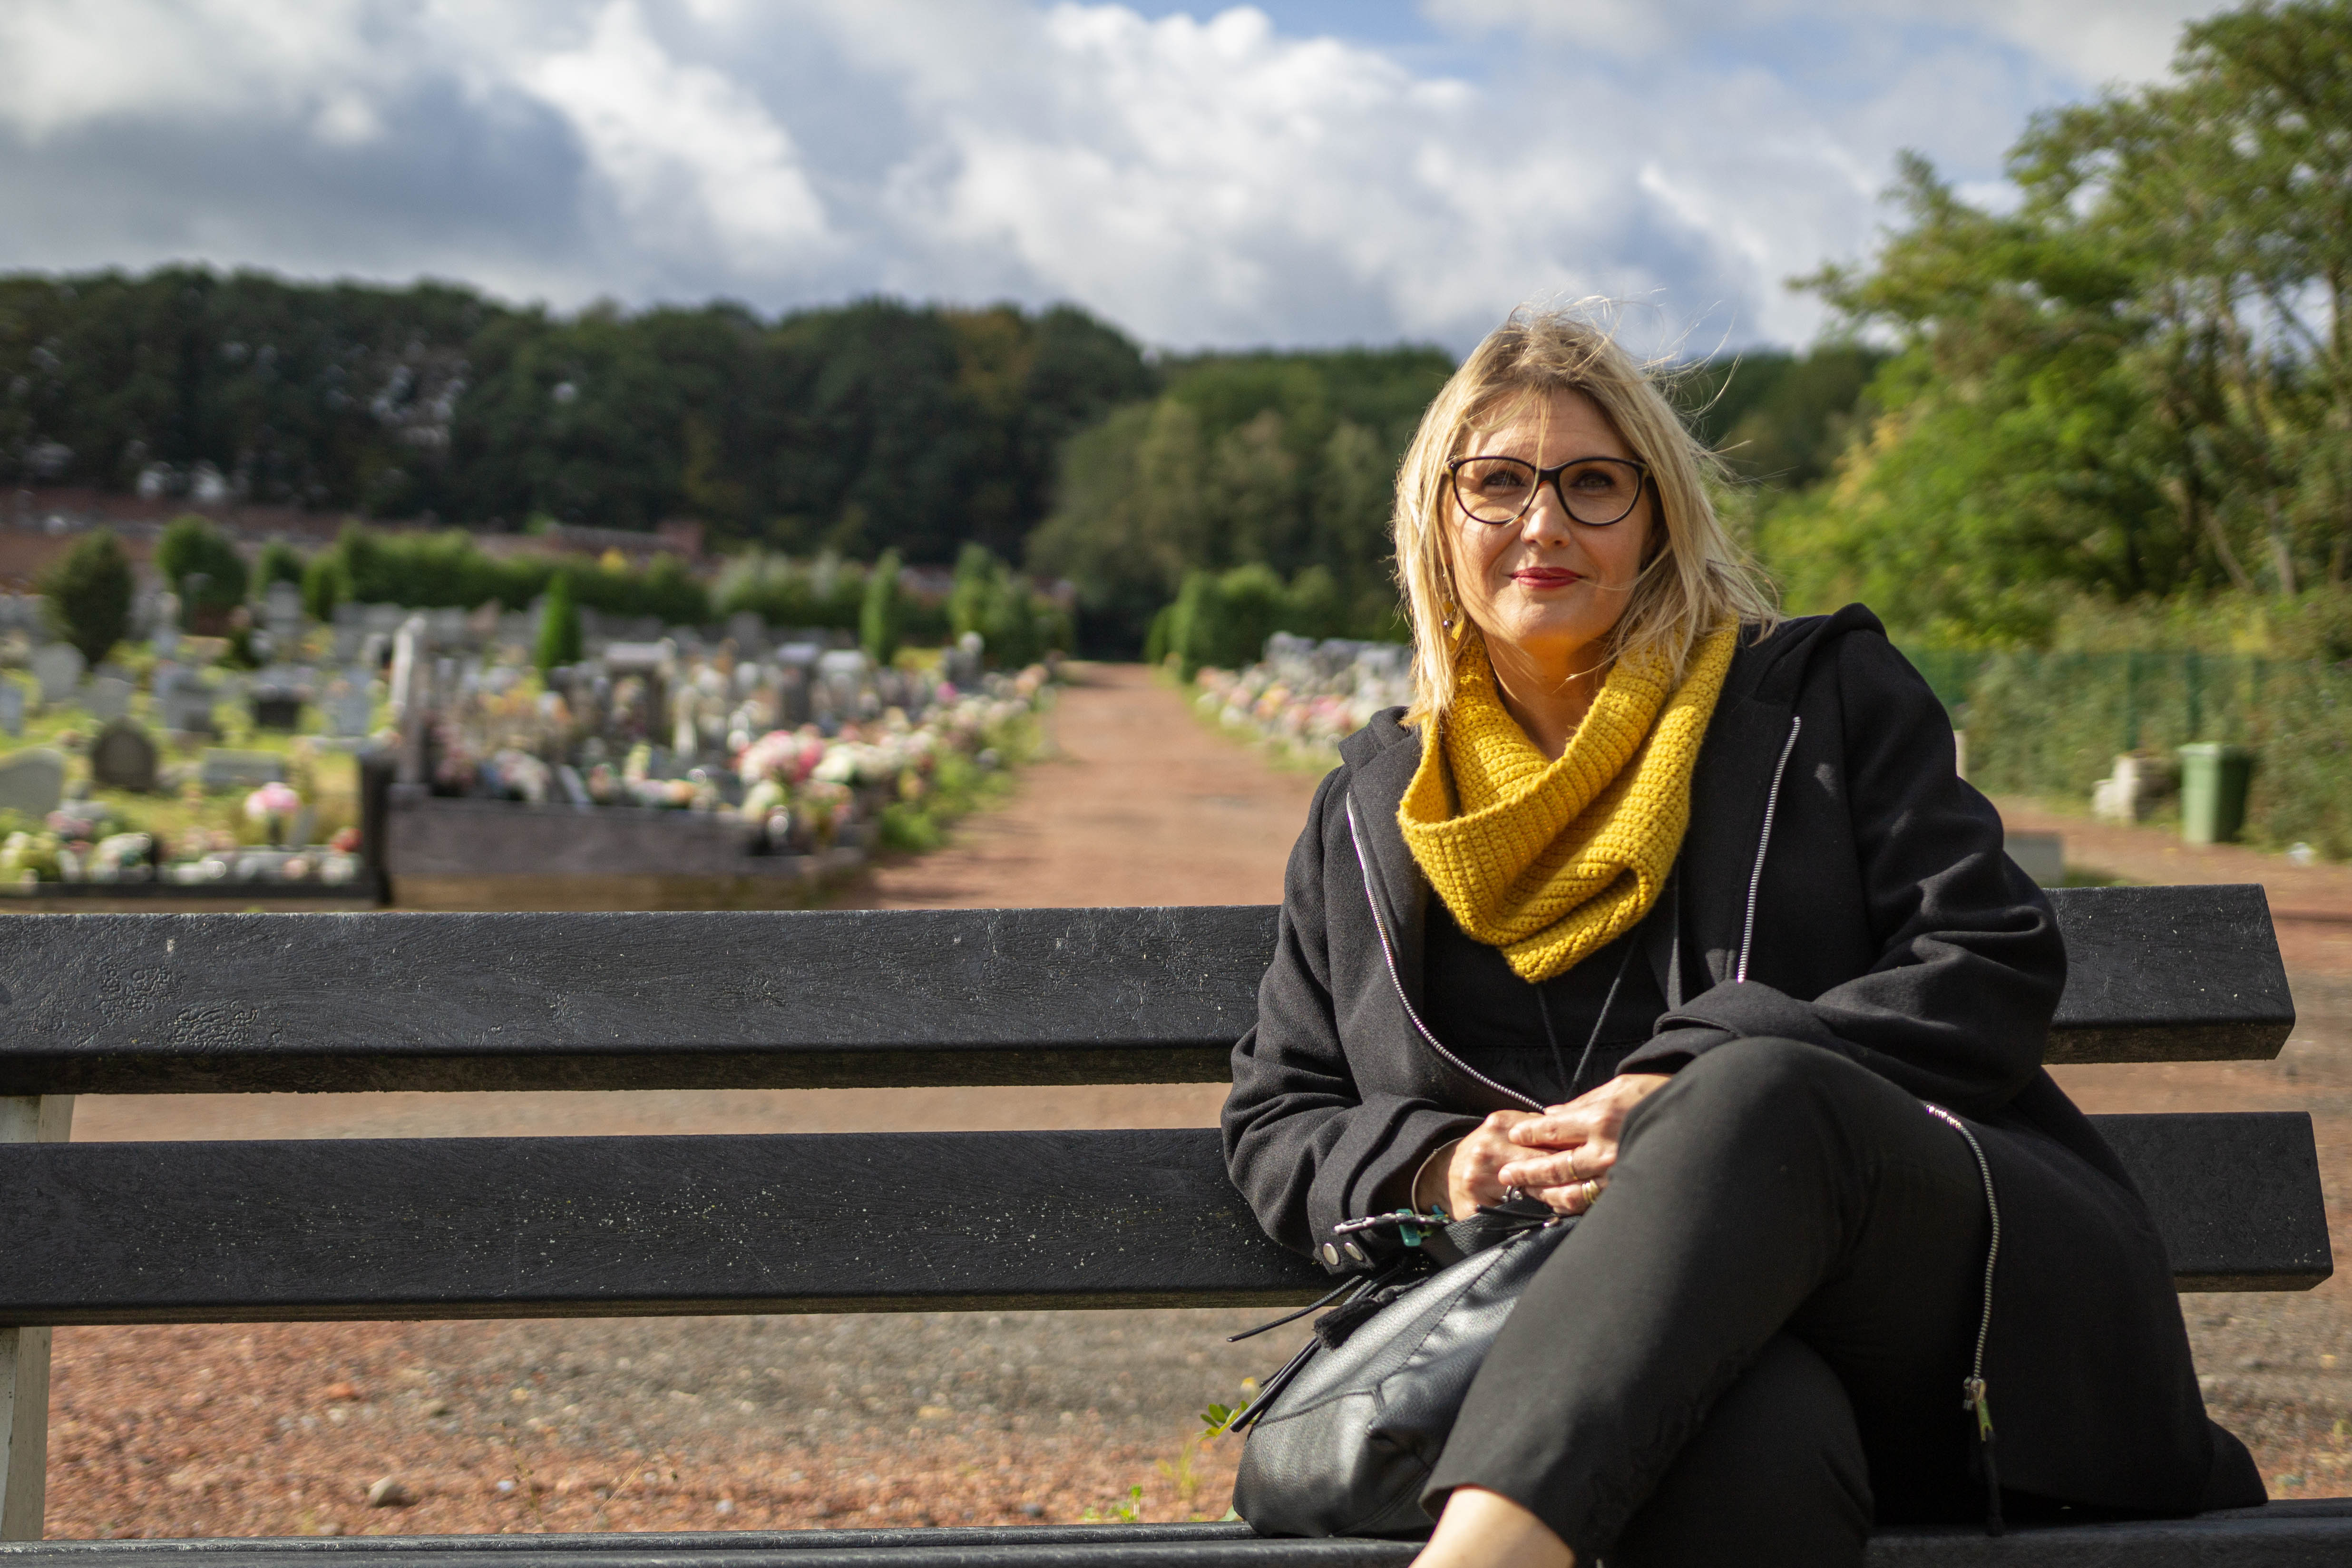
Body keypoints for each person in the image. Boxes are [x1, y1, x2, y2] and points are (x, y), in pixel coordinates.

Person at [1220, 307, 2263, 1568]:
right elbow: (1280, 1114)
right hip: (1582, 1355)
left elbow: (1984, 957)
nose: (1540, 522)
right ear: (1436, 523)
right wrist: (1446, 1165)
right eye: (1493, 483)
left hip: (1928, 1323)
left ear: (1655, 518)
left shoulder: (1818, 700)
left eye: (1592, 484)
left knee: (1751, 1089)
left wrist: (1672, 1099)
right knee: (1737, 1425)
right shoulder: (1369, 811)